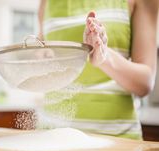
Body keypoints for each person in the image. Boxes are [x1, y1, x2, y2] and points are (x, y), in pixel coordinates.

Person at [38, 0, 158, 139]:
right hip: (52, 136)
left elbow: (145, 82)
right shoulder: (45, 2)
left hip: (116, 140)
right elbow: (43, 54)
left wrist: (104, 57)